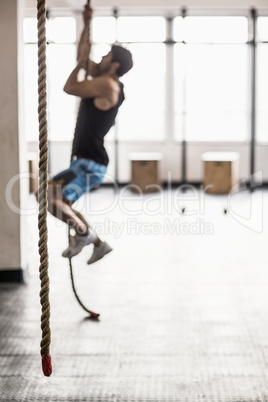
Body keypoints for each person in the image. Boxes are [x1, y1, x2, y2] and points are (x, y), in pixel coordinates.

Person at [47, 5, 133, 264]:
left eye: (106, 55)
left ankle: (83, 234)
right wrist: (86, 23)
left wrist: (81, 64)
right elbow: (83, 57)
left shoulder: (107, 84)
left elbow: (70, 86)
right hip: (85, 161)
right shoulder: (105, 80)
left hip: (90, 164)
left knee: (53, 202)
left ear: (114, 64)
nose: (102, 57)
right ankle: (98, 243)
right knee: (51, 194)